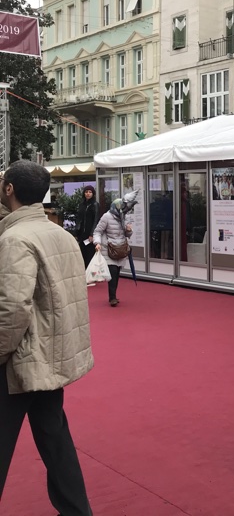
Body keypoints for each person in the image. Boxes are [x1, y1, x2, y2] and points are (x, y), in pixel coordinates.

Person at [0, 160, 94, 515]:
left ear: (9, 189)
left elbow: (12, 309)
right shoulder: (60, 234)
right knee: (55, 441)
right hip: (52, 356)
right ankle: (76, 510)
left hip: (19, 361)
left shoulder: (15, 239)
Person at [94, 198, 133, 307]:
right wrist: (97, 243)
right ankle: (112, 297)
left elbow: (127, 234)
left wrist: (129, 230)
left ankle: (113, 295)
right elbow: (98, 231)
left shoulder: (124, 217)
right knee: (113, 272)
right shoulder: (106, 217)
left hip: (120, 249)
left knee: (117, 273)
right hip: (109, 248)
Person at [75, 185, 100, 269]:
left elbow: (96, 220)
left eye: (90, 192)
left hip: (90, 234)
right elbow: (79, 219)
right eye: (86, 192)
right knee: (82, 255)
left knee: (89, 255)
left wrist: (92, 234)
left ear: (93, 193)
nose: (88, 194)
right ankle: (84, 272)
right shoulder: (82, 205)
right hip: (82, 234)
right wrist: (77, 232)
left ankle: (89, 273)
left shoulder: (95, 205)